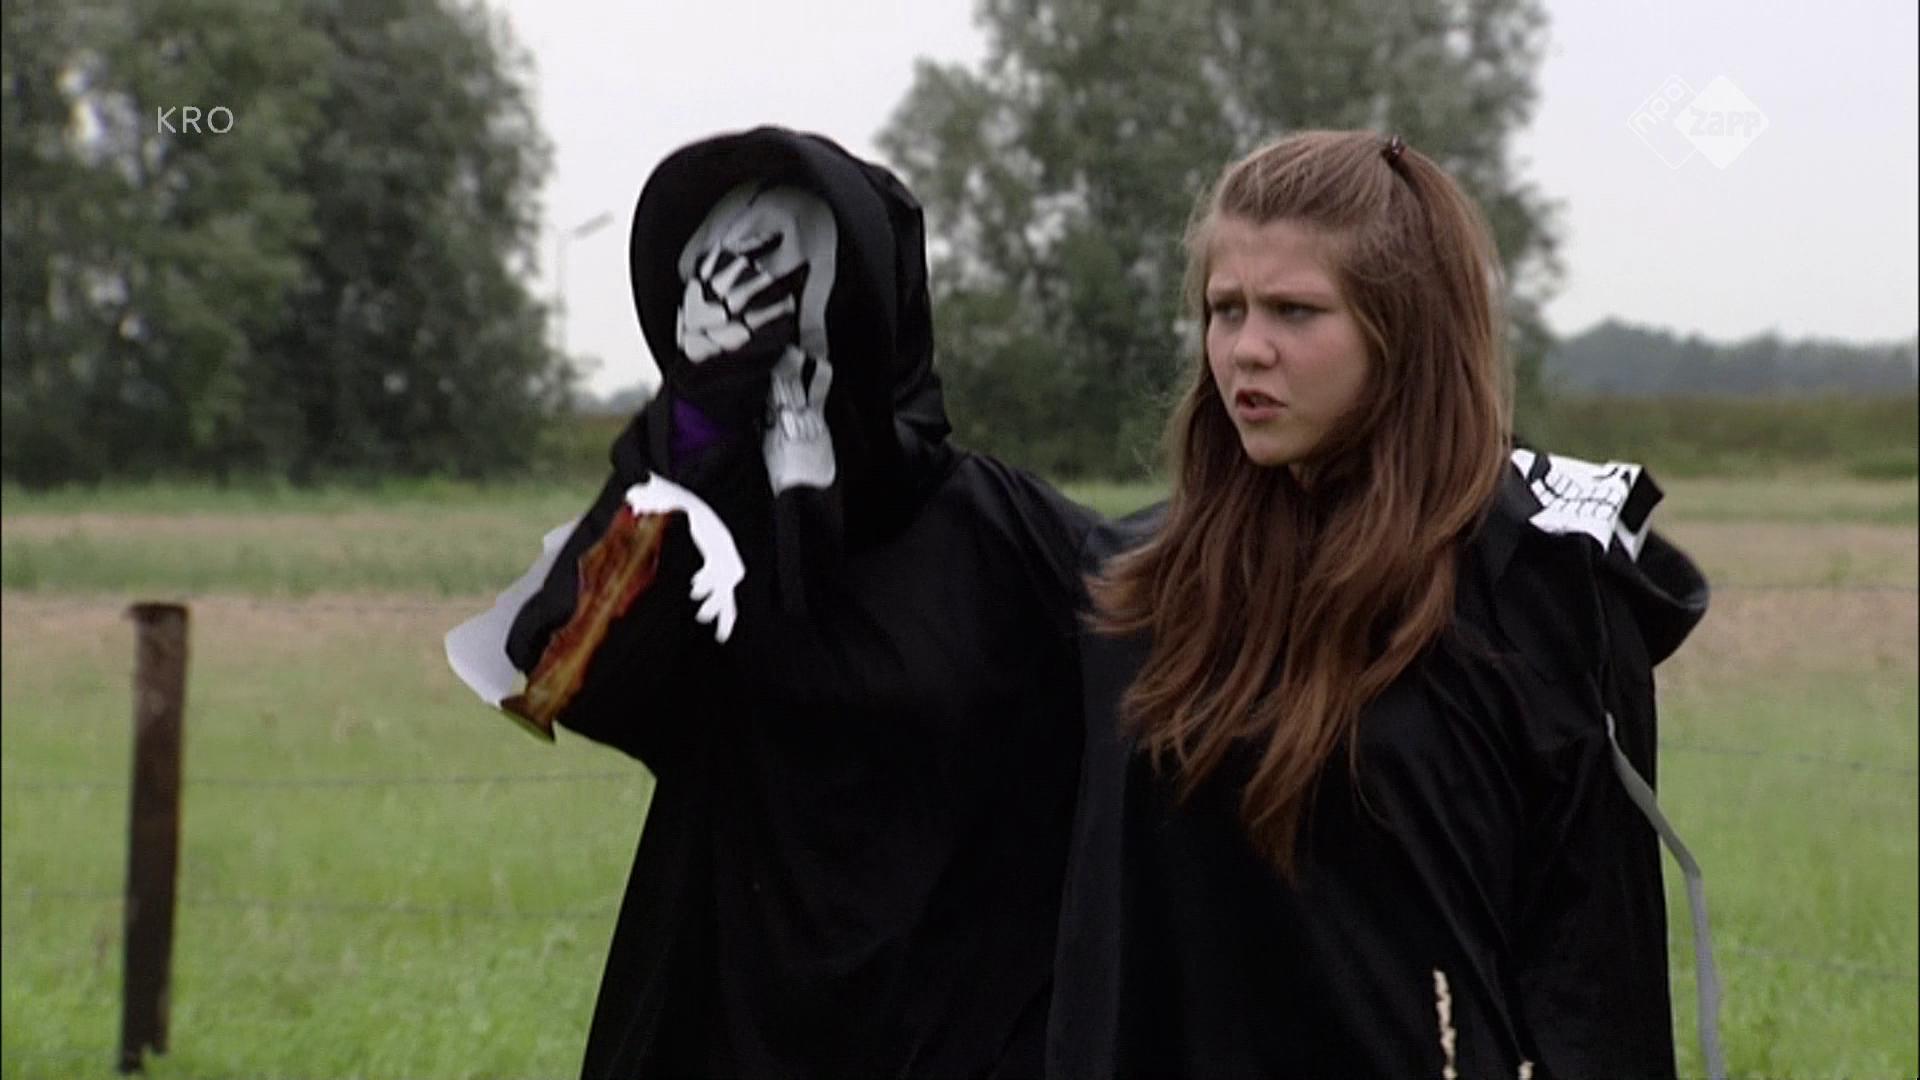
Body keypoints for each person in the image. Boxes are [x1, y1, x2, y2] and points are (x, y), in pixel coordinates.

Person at [1046, 131, 1713, 1079]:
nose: (1247, 350)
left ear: (1404, 330)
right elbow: (1098, 947)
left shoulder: (1538, 592)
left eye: (1295, 310)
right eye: (1225, 309)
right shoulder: (1141, 586)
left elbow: (1596, 974)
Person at [447, 126, 1096, 1078]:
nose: (753, 315)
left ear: (873, 304)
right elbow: (564, 675)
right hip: (725, 1024)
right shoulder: (693, 525)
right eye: (720, 280)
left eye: (777, 279)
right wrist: (696, 424)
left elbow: (1187, 697)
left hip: (962, 1031)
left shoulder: (1008, 537)